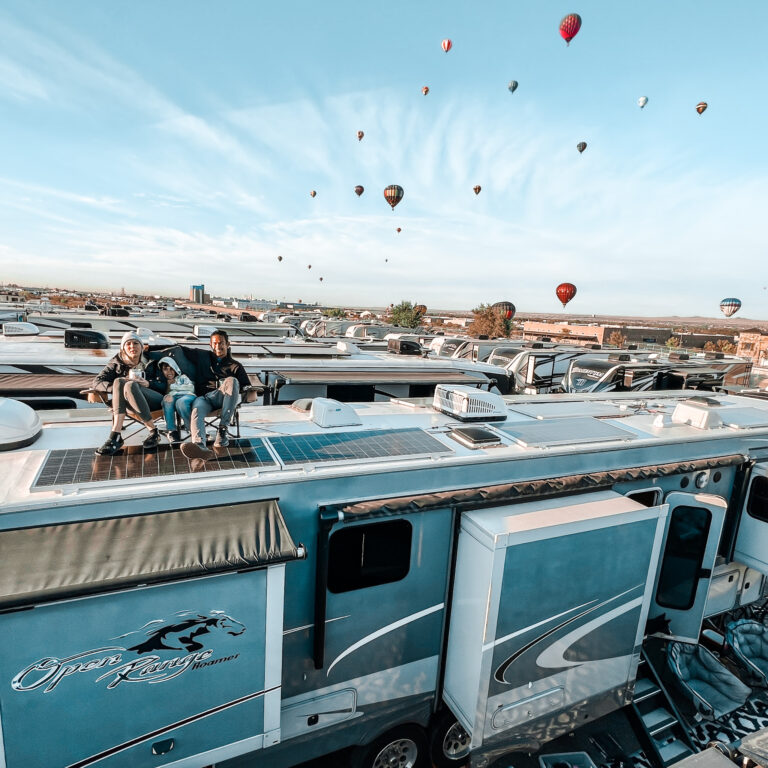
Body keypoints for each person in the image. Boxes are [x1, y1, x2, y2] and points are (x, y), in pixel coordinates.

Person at [181, 329, 250, 460]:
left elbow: (246, 386)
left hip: (222, 399)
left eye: (221, 343)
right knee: (196, 409)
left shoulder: (235, 366)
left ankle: (222, 430)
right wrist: (149, 349)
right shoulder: (202, 356)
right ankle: (199, 446)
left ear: (228, 344)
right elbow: (179, 349)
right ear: (210, 345)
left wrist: (252, 392)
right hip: (204, 399)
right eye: (215, 343)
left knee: (232, 381)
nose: (218, 346)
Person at [93, 331, 165, 455]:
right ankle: (118, 434)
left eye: (136, 343)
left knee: (130, 384)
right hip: (131, 403)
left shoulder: (152, 361)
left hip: (154, 399)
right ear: (123, 348)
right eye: (128, 344)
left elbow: (164, 384)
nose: (132, 346)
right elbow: (97, 382)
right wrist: (116, 389)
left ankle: (116, 436)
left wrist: (148, 384)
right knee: (120, 381)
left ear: (141, 347)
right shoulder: (116, 363)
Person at [156, 357, 196, 444]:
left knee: (181, 402)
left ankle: (191, 428)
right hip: (172, 398)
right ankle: (172, 431)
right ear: (162, 371)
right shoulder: (162, 382)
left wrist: (173, 388)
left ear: (175, 369)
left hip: (187, 395)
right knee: (167, 401)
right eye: (165, 369)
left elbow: (190, 387)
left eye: (171, 369)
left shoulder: (182, 377)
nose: (169, 372)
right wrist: (168, 390)